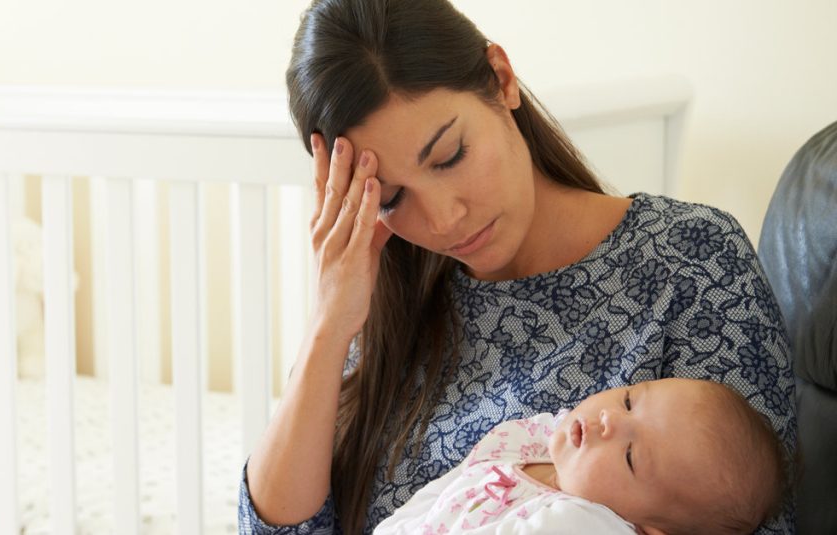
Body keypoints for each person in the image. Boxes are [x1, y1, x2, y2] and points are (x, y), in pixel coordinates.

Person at [239, 0, 796, 533]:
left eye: (450, 156)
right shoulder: (377, 305)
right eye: (390, 198)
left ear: (501, 79)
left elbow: (746, 519)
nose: (443, 220)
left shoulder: (691, 261)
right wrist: (327, 326)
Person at [373, 378, 788, 535]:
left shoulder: (585, 524)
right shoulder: (531, 440)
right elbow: (433, 499)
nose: (610, 420)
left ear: (648, 529)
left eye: (629, 456)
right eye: (629, 401)